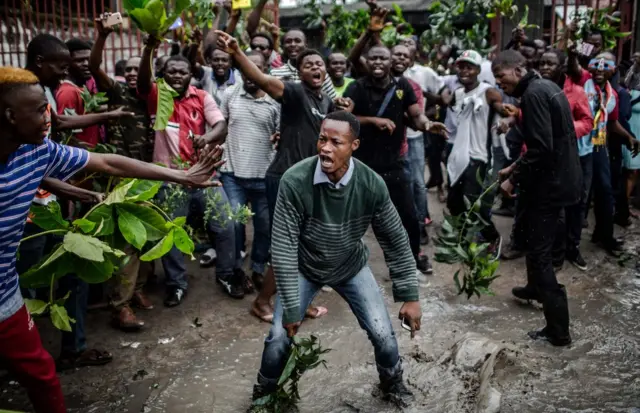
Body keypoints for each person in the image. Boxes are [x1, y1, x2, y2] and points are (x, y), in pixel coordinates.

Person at [0, 66, 224, 413]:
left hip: (5, 293)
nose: (50, 116)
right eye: (39, 109)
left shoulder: (37, 150)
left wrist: (180, 176)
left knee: (41, 374)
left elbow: (106, 161)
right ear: (9, 116)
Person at [249, 111, 421, 410]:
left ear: (353, 146)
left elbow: (394, 239)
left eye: (335, 142)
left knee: (383, 334)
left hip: (350, 266)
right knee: (278, 337)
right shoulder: (295, 180)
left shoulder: (371, 184)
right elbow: (284, 247)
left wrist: (410, 295)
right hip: (305, 266)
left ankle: (392, 383)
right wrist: (291, 306)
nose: (325, 148)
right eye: (322, 139)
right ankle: (264, 394)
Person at [215, 30, 351, 321]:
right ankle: (262, 302)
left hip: (311, 179)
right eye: (308, 65)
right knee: (289, 244)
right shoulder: (294, 92)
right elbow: (263, 80)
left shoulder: (325, 101)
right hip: (285, 178)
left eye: (319, 64)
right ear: (298, 72)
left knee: (308, 242)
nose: (315, 67)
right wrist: (237, 53)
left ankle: (299, 300)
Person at [137, 36, 243, 304]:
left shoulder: (202, 96)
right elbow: (141, 82)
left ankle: (227, 274)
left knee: (225, 226)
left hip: (203, 176)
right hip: (169, 178)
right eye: (171, 71)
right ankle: (176, 284)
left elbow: (220, 126)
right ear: (163, 73)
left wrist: (206, 139)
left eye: (182, 71)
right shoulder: (156, 95)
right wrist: (149, 49)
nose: (177, 75)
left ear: (190, 75)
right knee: (172, 232)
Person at [493, 50, 581, 346]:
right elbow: (545, 143)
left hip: (551, 184)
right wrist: (514, 166)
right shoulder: (545, 85)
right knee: (532, 236)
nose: (498, 82)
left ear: (517, 70)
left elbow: (541, 148)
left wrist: (512, 180)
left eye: (501, 75)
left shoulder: (532, 95)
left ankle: (559, 332)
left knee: (541, 253)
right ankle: (534, 287)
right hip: (557, 177)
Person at [344, 45, 448, 275]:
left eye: (383, 58)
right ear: (367, 62)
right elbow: (345, 117)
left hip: (394, 163)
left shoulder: (402, 86)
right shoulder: (356, 87)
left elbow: (416, 115)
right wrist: (372, 120)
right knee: (352, 218)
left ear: (391, 62)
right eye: (373, 58)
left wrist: (427, 124)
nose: (378, 62)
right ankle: (342, 264)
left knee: (409, 216)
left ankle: (411, 259)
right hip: (362, 166)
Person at [89, 16, 155, 329]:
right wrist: (101, 36)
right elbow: (93, 68)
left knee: (148, 238)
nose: (131, 74)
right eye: (126, 69)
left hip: (152, 176)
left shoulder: (152, 95)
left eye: (136, 69)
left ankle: (138, 291)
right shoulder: (118, 94)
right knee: (127, 241)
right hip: (122, 179)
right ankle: (121, 306)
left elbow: (145, 77)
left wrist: (148, 50)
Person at [219, 51, 279, 297]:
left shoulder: (276, 100)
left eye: (257, 68)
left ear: (265, 70)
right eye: (246, 68)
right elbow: (219, 126)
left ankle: (257, 267)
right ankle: (233, 271)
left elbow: (282, 133)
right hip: (233, 174)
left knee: (265, 226)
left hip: (264, 175)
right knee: (232, 224)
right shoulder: (230, 94)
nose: (250, 73)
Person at [567, 50, 639, 256]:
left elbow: (612, 122)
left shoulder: (613, 94)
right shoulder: (583, 81)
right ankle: (569, 245)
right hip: (575, 143)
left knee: (605, 191)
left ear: (614, 70)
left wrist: (629, 137)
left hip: (597, 144)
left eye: (606, 65)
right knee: (579, 194)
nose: (600, 68)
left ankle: (605, 235)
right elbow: (573, 68)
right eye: (595, 64)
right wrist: (573, 53)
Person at [445, 50, 513, 257]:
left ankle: (492, 238)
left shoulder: (488, 91)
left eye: (469, 67)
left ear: (477, 70)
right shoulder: (457, 93)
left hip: (479, 155)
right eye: (461, 66)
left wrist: (506, 121)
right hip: (458, 154)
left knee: (474, 204)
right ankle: (466, 239)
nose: (464, 70)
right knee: (453, 202)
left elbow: (504, 111)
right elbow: (446, 101)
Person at [538, 48, 593, 271]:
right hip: (547, 157)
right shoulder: (538, 89)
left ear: (561, 67)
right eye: (542, 63)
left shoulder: (576, 91)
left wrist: (563, 133)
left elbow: (587, 121)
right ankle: (552, 253)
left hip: (575, 156)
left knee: (574, 207)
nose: (545, 68)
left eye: (550, 64)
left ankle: (571, 249)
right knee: (549, 207)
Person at [55, 38, 103, 148]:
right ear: (66, 64)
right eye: (80, 60)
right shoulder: (68, 92)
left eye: (88, 60)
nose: (86, 64)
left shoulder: (80, 89)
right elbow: (68, 135)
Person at [269, 28, 337, 99]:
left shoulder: (320, 72)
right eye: (288, 41)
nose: (292, 44)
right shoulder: (275, 73)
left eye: (297, 41)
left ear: (305, 45)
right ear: (283, 46)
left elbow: (333, 101)